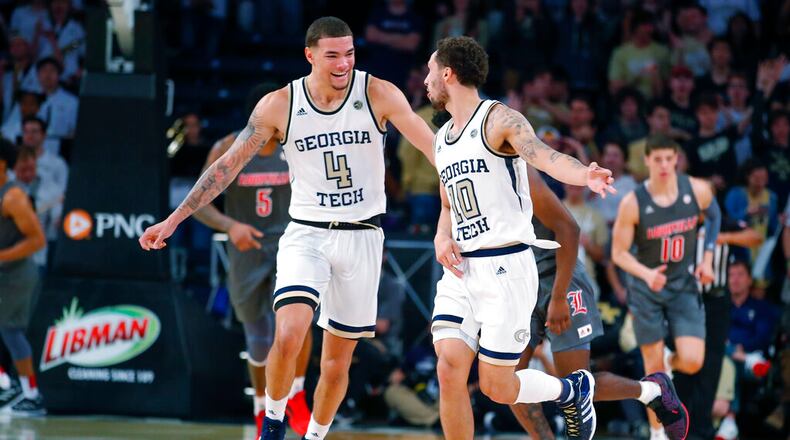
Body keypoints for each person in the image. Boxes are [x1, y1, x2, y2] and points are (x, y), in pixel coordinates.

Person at [139, 17, 436, 440]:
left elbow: (435, 148)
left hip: (363, 235)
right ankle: (272, 424)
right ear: (310, 55)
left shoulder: (378, 92)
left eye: (349, 53)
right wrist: (173, 221)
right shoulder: (280, 103)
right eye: (333, 54)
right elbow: (225, 168)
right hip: (306, 232)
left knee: (336, 363)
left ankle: (314, 435)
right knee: (289, 331)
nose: (343, 63)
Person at [426, 36, 615, 440]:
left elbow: (542, 154)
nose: (425, 81)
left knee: (497, 386)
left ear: (447, 74)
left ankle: (571, 389)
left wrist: (584, 174)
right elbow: (447, 204)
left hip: (506, 267)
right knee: (448, 368)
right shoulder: (442, 138)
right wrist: (443, 237)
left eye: (430, 71)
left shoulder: (499, 120)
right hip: (462, 271)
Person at [509, 166, 688, 440]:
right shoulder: (470, 182)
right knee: (507, 378)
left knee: (577, 382)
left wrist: (558, 298)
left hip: (560, 279)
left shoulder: (521, 173)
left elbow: (569, 230)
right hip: (523, 284)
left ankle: (652, 391)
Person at [192, 84, 313, 438]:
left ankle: (297, 393)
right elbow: (200, 201)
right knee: (258, 335)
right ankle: (262, 408)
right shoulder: (227, 148)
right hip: (247, 248)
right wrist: (230, 226)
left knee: (298, 321)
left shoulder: (298, 145)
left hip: (292, 243)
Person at [611, 134, 721, 440]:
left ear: (676, 159)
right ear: (647, 160)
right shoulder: (633, 202)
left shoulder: (696, 189)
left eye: (668, 159)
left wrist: (708, 257)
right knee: (652, 367)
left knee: (693, 360)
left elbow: (714, 215)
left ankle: (670, 366)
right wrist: (646, 274)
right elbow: (618, 254)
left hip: (683, 283)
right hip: (647, 287)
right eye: (656, 159)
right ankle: (657, 434)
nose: (663, 165)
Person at [0, 138, 46, 415]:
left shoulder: (12, 196)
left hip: (17, 274)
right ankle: (8, 385)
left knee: (11, 331)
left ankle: (31, 394)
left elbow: (37, 240)